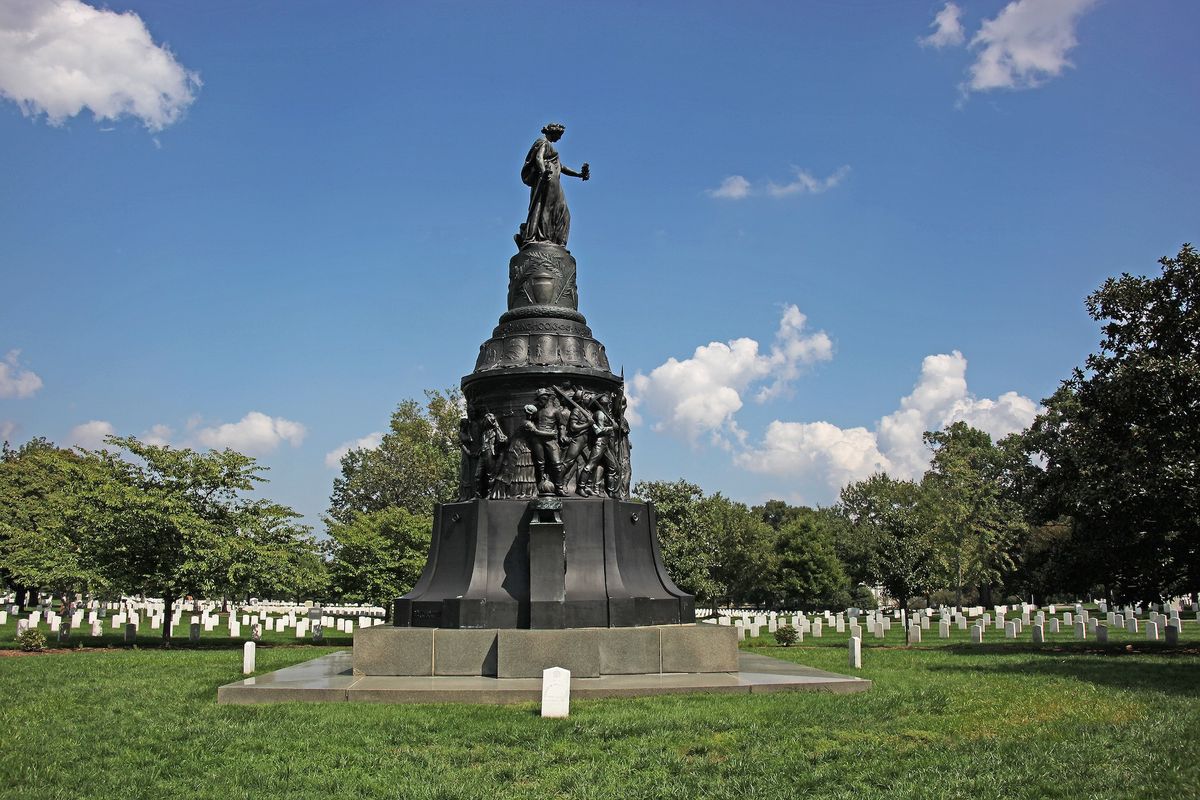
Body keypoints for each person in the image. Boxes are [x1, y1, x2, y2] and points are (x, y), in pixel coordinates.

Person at [516, 123, 589, 248]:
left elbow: (561, 167)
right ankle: (543, 237)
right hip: (548, 180)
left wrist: (578, 174)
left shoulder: (551, 148)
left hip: (554, 181)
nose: (559, 138)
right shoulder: (543, 142)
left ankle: (556, 240)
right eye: (559, 135)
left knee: (563, 211)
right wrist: (544, 171)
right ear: (552, 132)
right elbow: (538, 157)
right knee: (546, 208)